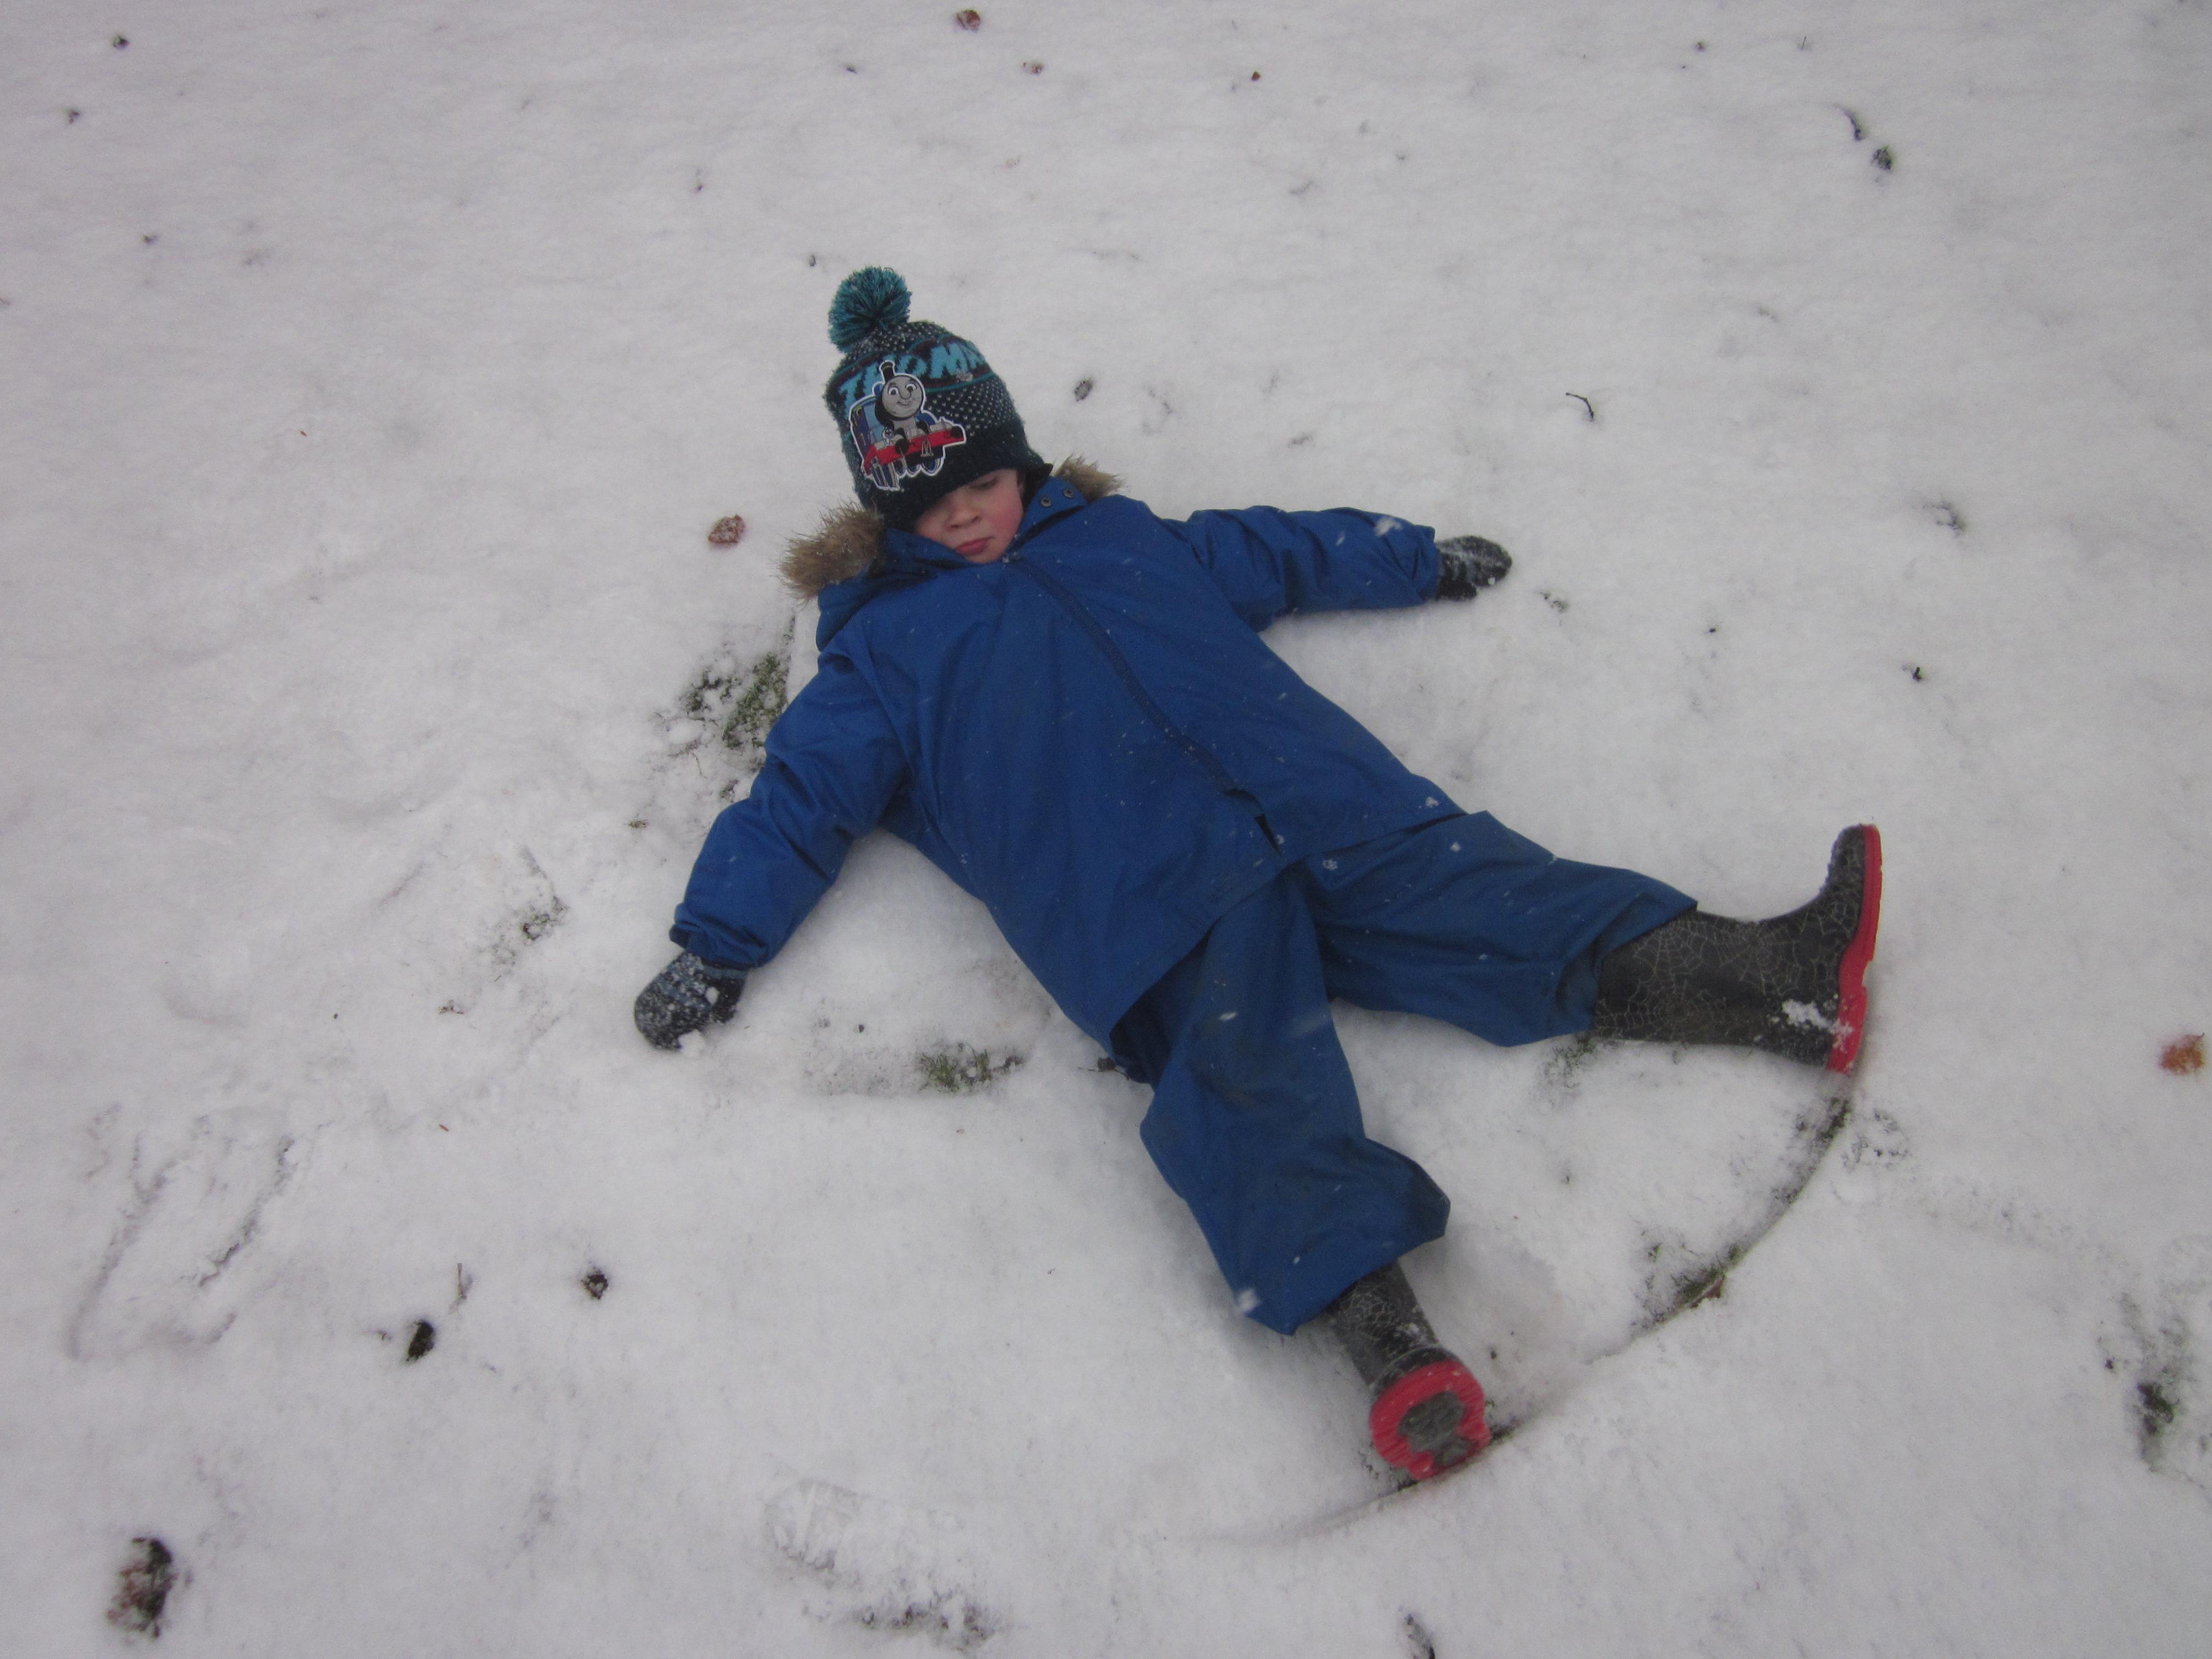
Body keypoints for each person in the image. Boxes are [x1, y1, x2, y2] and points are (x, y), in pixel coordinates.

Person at [635, 269, 1882, 1483]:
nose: (965, 515)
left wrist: (1412, 559)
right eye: (929, 506)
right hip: (1154, 902)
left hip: (1324, 806)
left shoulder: (1124, 536)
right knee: (1245, 1091)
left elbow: (1273, 553)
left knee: (1506, 903)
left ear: (1021, 462)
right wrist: (714, 946)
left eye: (984, 482)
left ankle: (1783, 981)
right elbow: (796, 802)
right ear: (882, 518)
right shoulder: (880, 657)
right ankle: (1396, 1359)